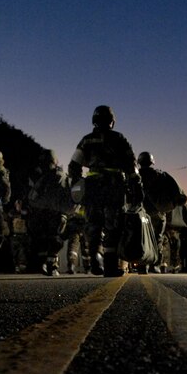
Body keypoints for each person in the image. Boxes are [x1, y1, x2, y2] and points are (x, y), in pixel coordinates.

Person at [67, 105, 141, 277]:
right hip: (114, 186)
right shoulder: (119, 138)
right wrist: (135, 182)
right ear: (112, 122)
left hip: (92, 186)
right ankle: (109, 265)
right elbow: (132, 164)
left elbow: (73, 165)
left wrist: (78, 182)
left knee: (93, 224)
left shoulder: (86, 140)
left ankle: (95, 259)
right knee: (113, 225)